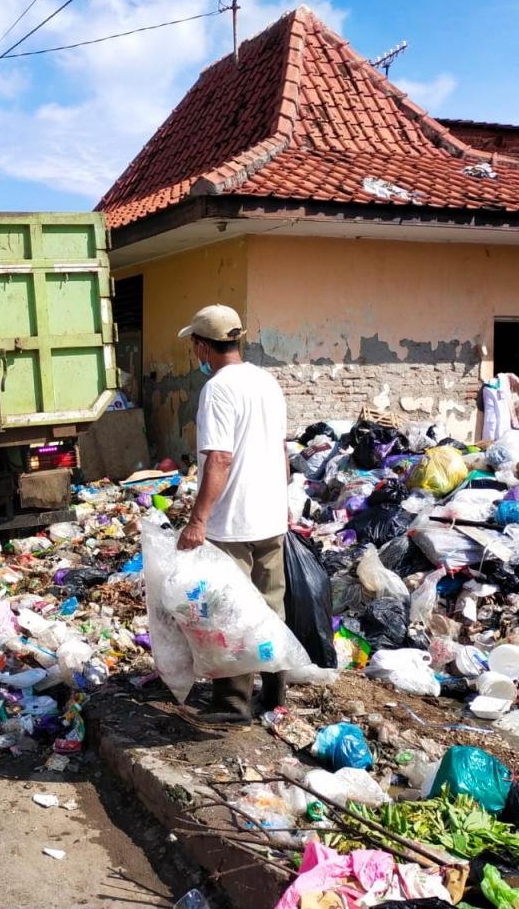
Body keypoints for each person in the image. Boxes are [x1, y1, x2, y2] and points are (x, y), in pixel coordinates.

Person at [175, 305, 290, 724]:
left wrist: (198, 519)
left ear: (204, 346)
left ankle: (232, 705)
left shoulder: (218, 389)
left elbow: (219, 460)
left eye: (194, 345)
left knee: (231, 613)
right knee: (271, 608)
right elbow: (281, 450)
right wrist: (285, 503)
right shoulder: (267, 382)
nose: (194, 352)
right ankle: (276, 696)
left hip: (234, 522)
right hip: (271, 517)